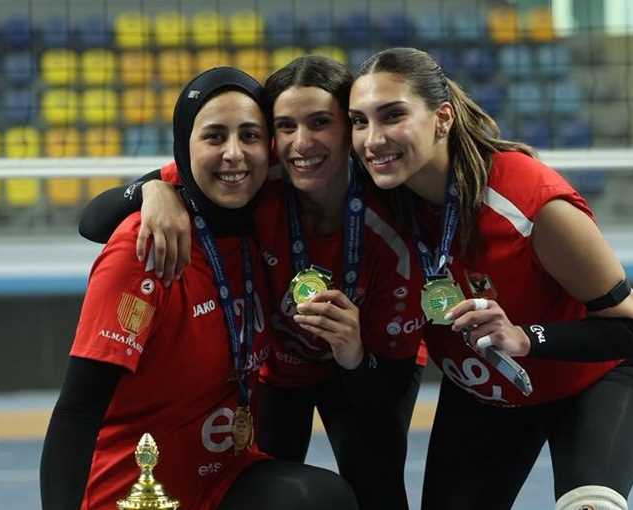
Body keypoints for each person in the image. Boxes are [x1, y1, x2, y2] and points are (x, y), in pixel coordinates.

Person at [76, 56, 426, 510]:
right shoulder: (256, 177)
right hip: (280, 368)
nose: (302, 143)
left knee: (377, 486)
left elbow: (386, 396)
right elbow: (93, 220)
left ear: (350, 128)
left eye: (321, 122)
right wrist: (153, 190)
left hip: (363, 362)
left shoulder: (391, 212)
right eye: (285, 126)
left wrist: (354, 353)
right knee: (276, 489)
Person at [346, 47, 633, 510]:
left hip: (595, 379)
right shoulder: (378, 203)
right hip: (487, 390)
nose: (373, 139)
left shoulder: (528, 202)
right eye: (359, 121)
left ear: (442, 119)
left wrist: (525, 337)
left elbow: (631, 332)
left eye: (393, 115)